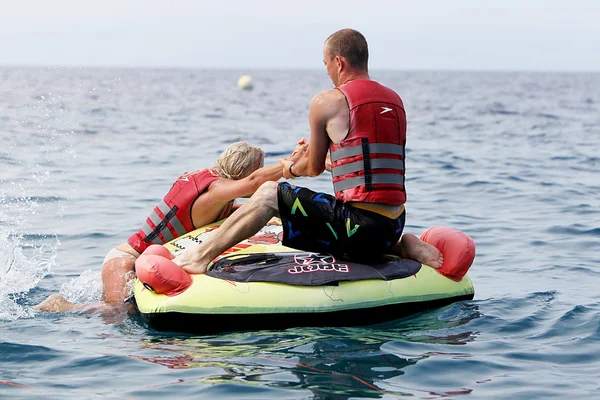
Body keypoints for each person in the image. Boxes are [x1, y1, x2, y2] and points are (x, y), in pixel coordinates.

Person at [173, 29, 443, 275]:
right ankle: (400, 245)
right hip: (392, 225)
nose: (327, 71)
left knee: (269, 193)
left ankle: (198, 256)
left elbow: (310, 169)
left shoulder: (328, 101)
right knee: (322, 210)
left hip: (359, 229)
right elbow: (367, 166)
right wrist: (327, 162)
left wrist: (292, 167)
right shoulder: (394, 100)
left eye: (326, 64)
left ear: (339, 62)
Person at [35, 141, 307, 312]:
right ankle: (62, 306)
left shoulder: (214, 188)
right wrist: (293, 166)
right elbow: (251, 185)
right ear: (246, 173)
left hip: (147, 262)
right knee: (116, 314)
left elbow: (231, 211)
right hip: (125, 261)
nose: (259, 182)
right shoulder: (213, 192)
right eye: (256, 173)